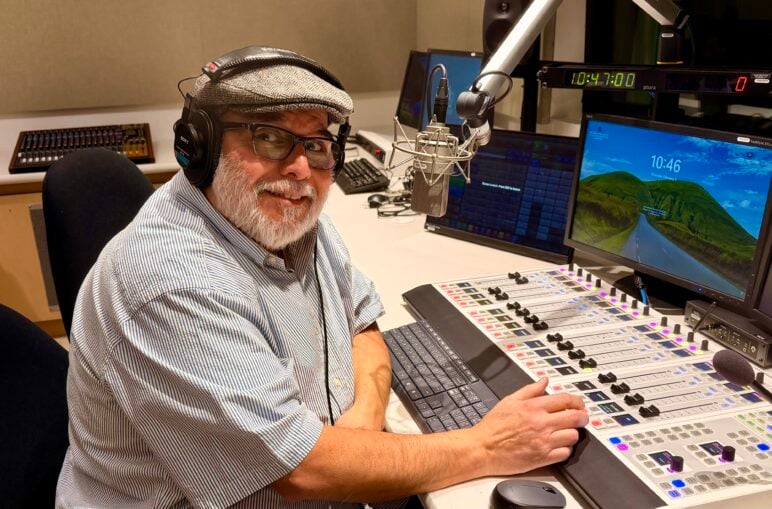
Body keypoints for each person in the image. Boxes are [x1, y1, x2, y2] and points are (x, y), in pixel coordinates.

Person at [56, 46, 588, 508]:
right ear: (200, 145)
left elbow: (364, 324)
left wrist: (359, 426)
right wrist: (487, 448)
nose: (300, 170)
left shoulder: (293, 220)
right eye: (269, 137)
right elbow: (301, 472)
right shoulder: (172, 282)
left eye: (315, 144)